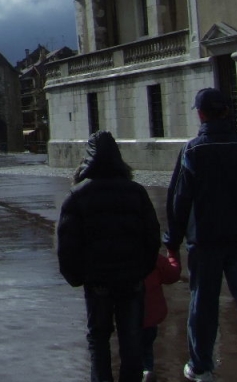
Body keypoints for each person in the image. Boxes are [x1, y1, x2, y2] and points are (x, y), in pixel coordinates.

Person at [163, 87, 237, 382]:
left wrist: (173, 244)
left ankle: (202, 367)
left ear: (201, 114)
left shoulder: (192, 150)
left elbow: (178, 202)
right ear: (228, 111)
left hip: (205, 242)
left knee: (203, 305)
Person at [57, 131, 161, 382]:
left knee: (99, 342)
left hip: (98, 282)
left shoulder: (77, 195)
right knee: (132, 340)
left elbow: (67, 245)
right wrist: (142, 270)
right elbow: (152, 237)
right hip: (131, 280)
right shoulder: (135, 192)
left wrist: (77, 277)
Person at [141, 247, 182, 382]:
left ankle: (139, 371)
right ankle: (147, 370)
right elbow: (173, 274)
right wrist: (172, 254)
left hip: (127, 316)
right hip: (150, 318)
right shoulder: (154, 258)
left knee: (130, 349)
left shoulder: (121, 257)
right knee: (146, 348)